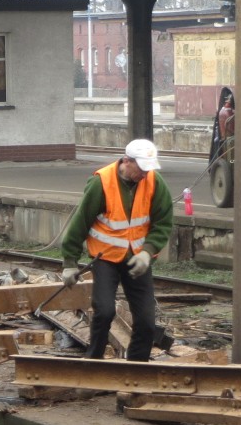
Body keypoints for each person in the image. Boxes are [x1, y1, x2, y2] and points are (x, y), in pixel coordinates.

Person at [61, 138, 174, 362]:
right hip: (106, 258)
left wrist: (147, 251)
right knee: (104, 312)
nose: (144, 174)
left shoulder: (154, 182)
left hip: (138, 260)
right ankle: (94, 363)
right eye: (141, 168)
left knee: (146, 321)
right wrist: (69, 263)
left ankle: (136, 369)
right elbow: (80, 223)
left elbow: (163, 221)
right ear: (126, 161)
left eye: (148, 169)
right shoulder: (101, 183)